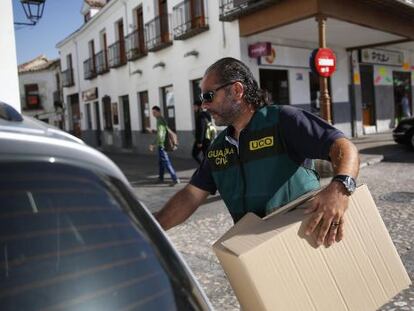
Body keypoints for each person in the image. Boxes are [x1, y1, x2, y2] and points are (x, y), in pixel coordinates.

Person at [154, 57, 359, 247]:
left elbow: (343, 147)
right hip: (255, 254)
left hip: (305, 244)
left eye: (208, 96)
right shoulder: (218, 148)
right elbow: (191, 195)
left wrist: (340, 189)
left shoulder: (284, 120)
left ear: (236, 90)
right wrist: (151, 226)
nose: (204, 105)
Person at [149, 106, 180, 185]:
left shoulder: (160, 120)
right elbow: (162, 131)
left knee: (166, 162)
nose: (153, 114)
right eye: (152, 113)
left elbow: (161, 134)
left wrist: (153, 144)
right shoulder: (161, 119)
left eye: (154, 112)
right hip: (161, 144)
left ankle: (175, 178)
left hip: (161, 145)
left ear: (159, 112)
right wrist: (154, 131)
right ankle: (161, 178)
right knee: (161, 162)